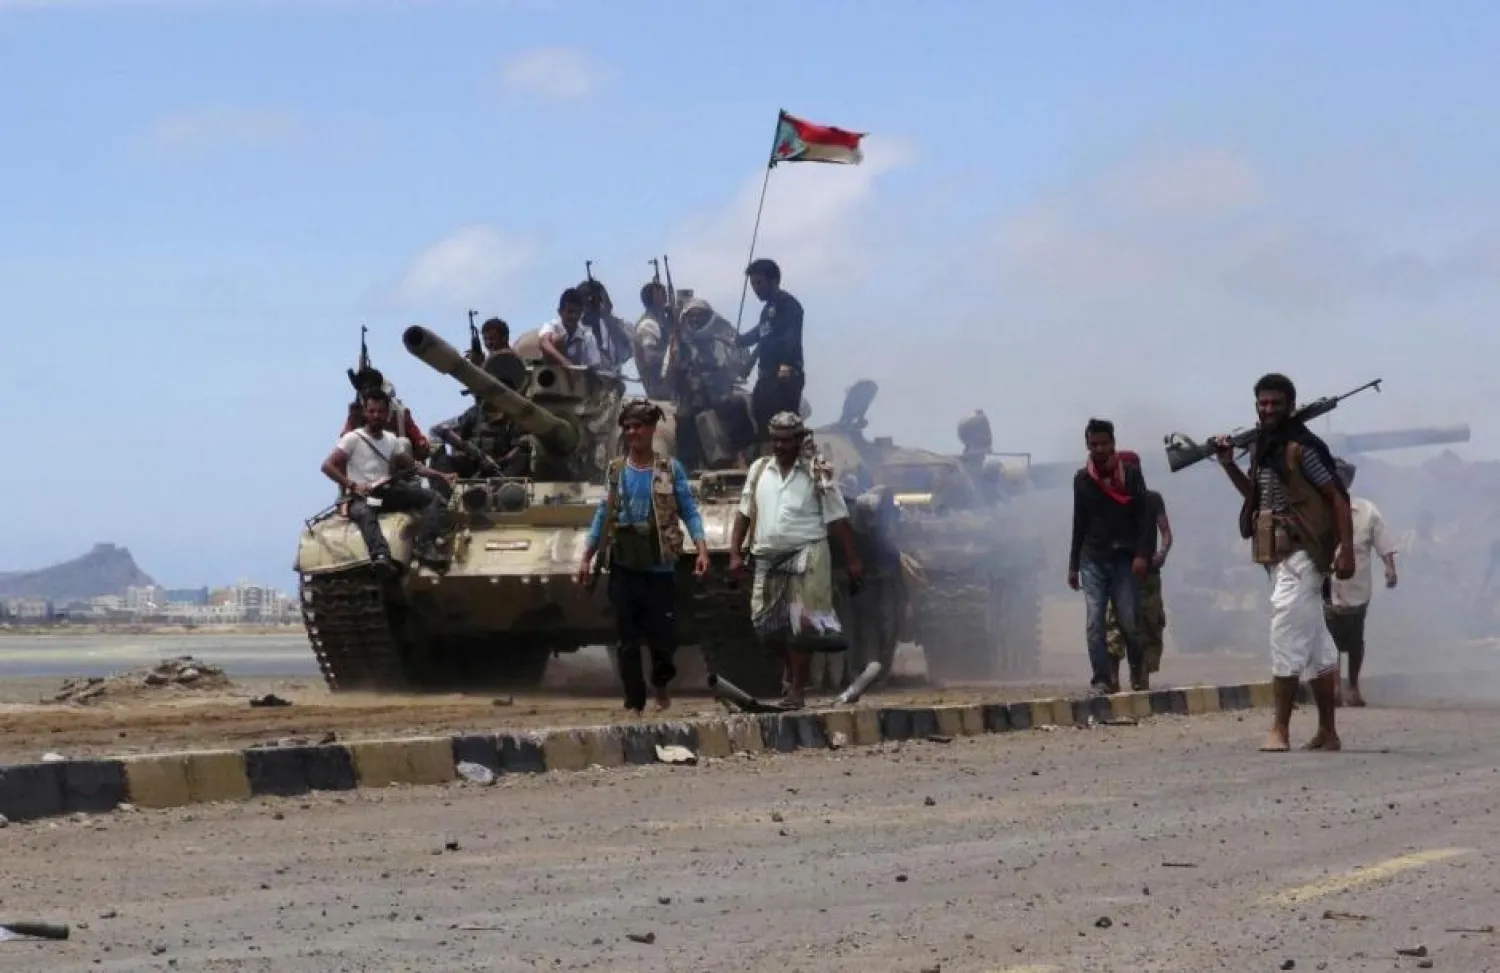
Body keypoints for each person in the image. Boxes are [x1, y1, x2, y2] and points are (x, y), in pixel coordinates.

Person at [1212, 372, 1355, 753]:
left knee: (1285, 633)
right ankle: (1328, 732)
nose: (1268, 409)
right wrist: (1228, 465)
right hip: (1277, 559)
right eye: (1263, 403)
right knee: (1317, 644)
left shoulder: (1302, 448)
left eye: (1276, 403)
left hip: (1304, 553)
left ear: (1291, 406)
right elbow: (1255, 497)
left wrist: (1347, 548)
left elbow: (1337, 497)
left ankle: (1280, 728)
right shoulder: (1263, 448)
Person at [575, 399, 710, 714]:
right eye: (627, 427)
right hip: (624, 565)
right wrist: (586, 556)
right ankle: (634, 701)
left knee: (662, 637)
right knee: (627, 638)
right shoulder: (616, 470)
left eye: (638, 426)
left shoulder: (669, 470)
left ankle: (660, 685)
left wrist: (701, 547)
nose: (632, 432)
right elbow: (603, 514)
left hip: (659, 567)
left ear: (651, 430)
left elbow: (689, 511)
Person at [728, 411, 864, 709]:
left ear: (800, 440)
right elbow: (744, 512)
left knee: (801, 626)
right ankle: (791, 672)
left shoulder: (817, 471)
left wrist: (852, 559)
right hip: (766, 554)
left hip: (808, 551)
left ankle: (796, 690)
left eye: (787, 440)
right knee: (765, 624)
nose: (779, 446)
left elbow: (838, 518)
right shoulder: (759, 469)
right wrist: (735, 553)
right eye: (775, 440)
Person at [321, 389, 455, 576]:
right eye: (371, 411)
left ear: (387, 413)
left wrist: (441, 476)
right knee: (365, 513)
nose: (376, 415)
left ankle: (425, 545)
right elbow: (327, 466)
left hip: (384, 496)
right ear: (365, 412)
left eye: (380, 411)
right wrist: (352, 485)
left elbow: (414, 467)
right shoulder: (353, 438)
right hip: (361, 498)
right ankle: (381, 556)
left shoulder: (391, 440)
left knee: (433, 498)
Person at [1068, 419, 1154, 695]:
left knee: (1129, 621)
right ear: (1087, 445)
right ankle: (1102, 679)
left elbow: (1145, 517)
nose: (1099, 449)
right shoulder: (1083, 480)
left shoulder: (1130, 475)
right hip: (1092, 558)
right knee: (1095, 622)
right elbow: (1079, 522)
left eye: (1103, 443)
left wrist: (1142, 554)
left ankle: (1138, 671)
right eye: (1093, 444)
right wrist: (1073, 565)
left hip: (1124, 558)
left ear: (1113, 443)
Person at [1323, 458, 1398, 708]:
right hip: (1325, 585)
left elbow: (1382, 541)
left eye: (1342, 478)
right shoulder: (1317, 508)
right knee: (1329, 637)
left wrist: (1390, 568)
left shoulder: (1367, 511)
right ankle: (1335, 688)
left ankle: (1353, 686)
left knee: (1355, 639)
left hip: (1357, 587)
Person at [1105, 452, 1172, 690]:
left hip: (1148, 575)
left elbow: (1165, 531)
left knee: (1149, 623)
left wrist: (1162, 553)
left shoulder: (1152, 499)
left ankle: (1140, 677)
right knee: (1115, 624)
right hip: (1120, 573)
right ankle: (1112, 677)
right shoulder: (1110, 500)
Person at [736, 258, 805, 438]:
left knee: (784, 427)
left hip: (784, 377)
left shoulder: (788, 305)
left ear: (774, 280)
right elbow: (761, 335)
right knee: (761, 421)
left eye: (759, 282)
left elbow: (791, 338)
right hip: (767, 377)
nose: (755, 288)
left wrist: (786, 366)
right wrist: (741, 341)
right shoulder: (767, 309)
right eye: (753, 284)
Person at [341, 366, 430, 462]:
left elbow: (418, 441)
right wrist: (354, 416)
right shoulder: (357, 412)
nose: (376, 415)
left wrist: (422, 445)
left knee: (403, 443)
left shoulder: (399, 412)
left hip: (395, 463)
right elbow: (344, 441)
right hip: (365, 463)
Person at [577, 279, 636, 372]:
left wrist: (610, 320)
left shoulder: (616, 325)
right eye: (590, 302)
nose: (596, 305)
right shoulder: (576, 332)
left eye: (601, 300)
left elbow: (631, 349)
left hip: (614, 378)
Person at [537, 288, 601, 369]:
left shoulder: (587, 335)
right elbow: (544, 342)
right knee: (555, 339)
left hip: (578, 375)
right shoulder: (552, 325)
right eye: (570, 312)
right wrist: (566, 363)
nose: (573, 316)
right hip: (552, 372)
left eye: (577, 313)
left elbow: (594, 364)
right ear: (560, 311)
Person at [633, 281, 674, 399]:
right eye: (662, 293)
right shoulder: (648, 324)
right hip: (658, 386)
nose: (666, 296)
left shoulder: (663, 322)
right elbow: (650, 357)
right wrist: (675, 357)